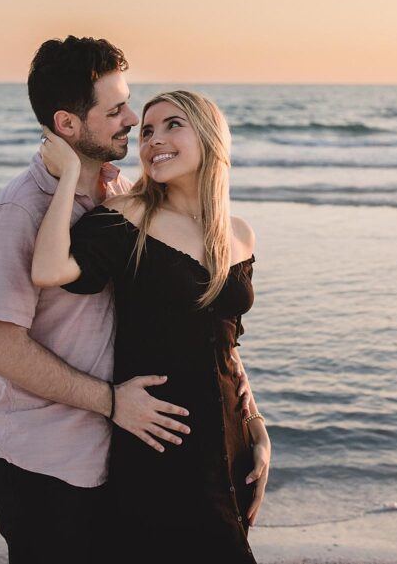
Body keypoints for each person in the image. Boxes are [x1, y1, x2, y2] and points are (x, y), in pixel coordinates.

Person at [0, 38, 255, 563]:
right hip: (48, 462)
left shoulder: (125, 195)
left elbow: (202, 322)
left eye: (131, 105)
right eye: (117, 110)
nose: (131, 119)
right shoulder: (16, 213)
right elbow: (3, 351)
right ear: (67, 125)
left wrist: (248, 413)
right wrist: (112, 401)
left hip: (126, 452)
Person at [32, 89, 270, 564]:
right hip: (161, 442)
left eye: (171, 125)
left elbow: (227, 342)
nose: (153, 140)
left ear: (209, 136)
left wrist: (258, 426)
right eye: (146, 132)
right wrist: (70, 177)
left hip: (233, 444)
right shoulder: (127, 219)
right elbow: (48, 269)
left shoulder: (237, 233)